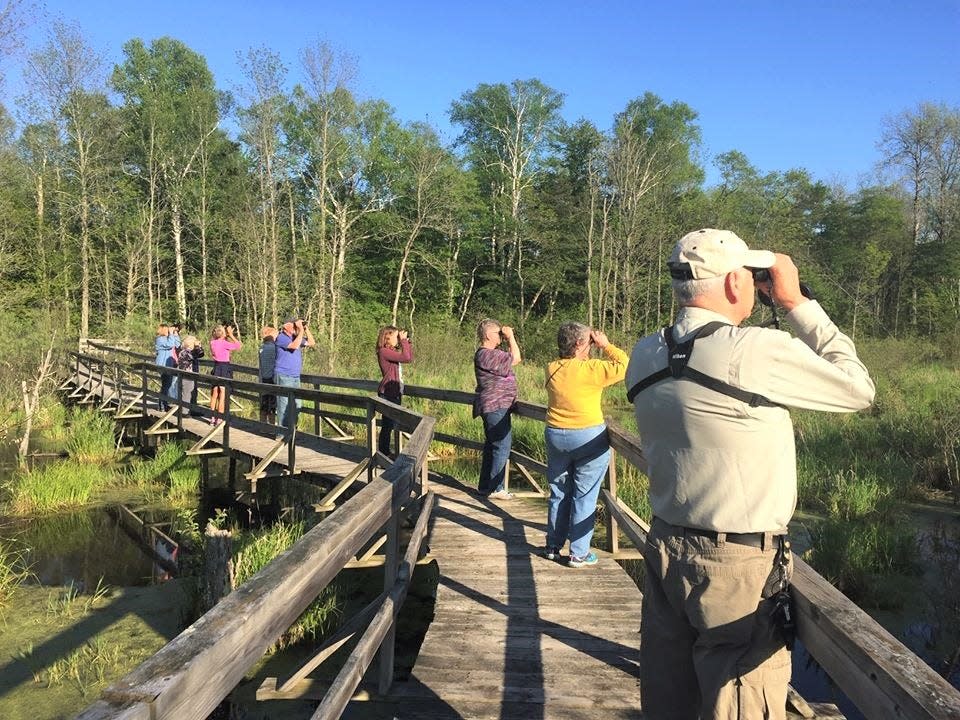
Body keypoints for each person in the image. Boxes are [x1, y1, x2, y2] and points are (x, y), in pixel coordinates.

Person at [624, 228, 875, 720]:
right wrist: (797, 301)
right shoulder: (755, 349)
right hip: (736, 565)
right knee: (740, 702)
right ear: (736, 284)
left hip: (664, 548)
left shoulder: (643, 353)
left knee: (669, 699)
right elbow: (858, 389)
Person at [543, 322, 627, 567]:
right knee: (585, 494)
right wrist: (606, 345)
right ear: (580, 344)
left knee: (559, 492)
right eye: (589, 341)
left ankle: (553, 546)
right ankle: (578, 553)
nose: (592, 345)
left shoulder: (551, 368)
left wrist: (591, 342)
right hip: (588, 436)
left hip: (556, 434)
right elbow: (624, 365)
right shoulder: (593, 369)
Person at [473, 319, 521, 500]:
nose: (501, 335)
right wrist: (511, 337)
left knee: (492, 446)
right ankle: (495, 488)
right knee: (501, 445)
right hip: (495, 405)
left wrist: (507, 338)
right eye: (498, 332)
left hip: (497, 405)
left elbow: (509, 359)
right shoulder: (485, 354)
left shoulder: (490, 354)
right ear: (487, 335)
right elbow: (516, 358)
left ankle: (485, 487)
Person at [274, 317, 316, 436]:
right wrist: (301, 331)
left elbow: (312, 343)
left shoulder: (295, 337)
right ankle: (281, 434)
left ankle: (292, 431)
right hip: (283, 375)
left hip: (295, 377)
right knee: (283, 405)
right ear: (287, 326)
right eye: (294, 325)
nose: (295, 327)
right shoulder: (281, 337)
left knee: (297, 404)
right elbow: (294, 346)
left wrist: (306, 329)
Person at [376, 325, 413, 457]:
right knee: (387, 425)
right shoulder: (384, 351)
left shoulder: (390, 352)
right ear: (387, 337)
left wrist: (407, 342)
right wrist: (403, 342)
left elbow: (408, 357)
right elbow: (406, 358)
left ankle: (384, 453)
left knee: (390, 425)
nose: (398, 339)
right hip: (388, 392)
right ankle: (383, 453)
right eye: (396, 336)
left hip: (394, 392)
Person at [208, 324, 242, 425]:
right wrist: (231, 334)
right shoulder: (224, 343)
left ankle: (212, 417)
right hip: (224, 367)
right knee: (222, 393)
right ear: (223, 334)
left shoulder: (212, 342)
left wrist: (224, 333)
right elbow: (239, 345)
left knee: (214, 393)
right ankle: (220, 418)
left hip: (216, 367)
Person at [154, 324, 179, 411]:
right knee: (166, 385)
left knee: (167, 385)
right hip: (163, 365)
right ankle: (162, 405)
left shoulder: (168, 338)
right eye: (167, 329)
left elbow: (177, 344)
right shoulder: (159, 339)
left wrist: (175, 334)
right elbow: (170, 344)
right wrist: (171, 334)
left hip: (169, 365)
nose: (168, 331)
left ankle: (164, 404)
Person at [176, 335, 202, 417]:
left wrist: (198, 347)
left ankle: (192, 410)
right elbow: (196, 355)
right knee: (187, 393)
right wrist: (197, 347)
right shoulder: (185, 352)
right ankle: (184, 412)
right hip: (186, 375)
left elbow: (200, 354)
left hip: (190, 375)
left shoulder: (187, 352)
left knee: (192, 392)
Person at [258, 326, 278, 425]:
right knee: (273, 405)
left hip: (263, 379)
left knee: (264, 404)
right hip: (273, 380)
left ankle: (262, 426)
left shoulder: (261, 348)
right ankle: (272, 426)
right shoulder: (274, 348)